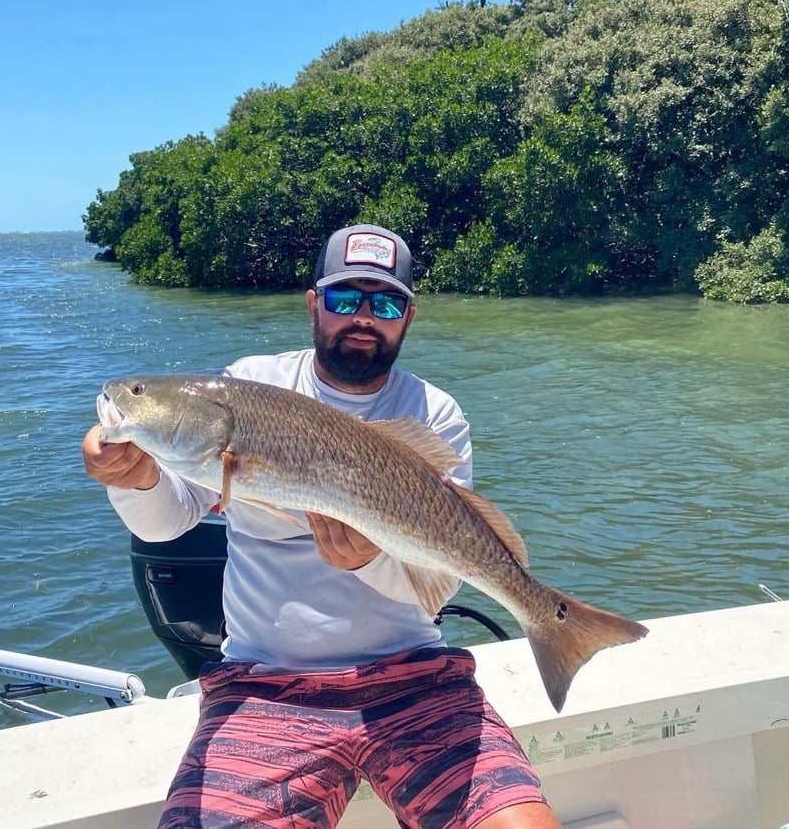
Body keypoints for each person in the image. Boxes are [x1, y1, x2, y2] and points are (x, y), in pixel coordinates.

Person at [82, 224, 562, 829]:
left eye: (384, 303)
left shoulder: (433, 413)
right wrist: (134, 480)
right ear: (313, 303)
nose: (363, 317)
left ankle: (550, 622)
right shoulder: (253, 382)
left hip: (413, 673)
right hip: (265, 684)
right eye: (343, 299)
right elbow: (168, 523)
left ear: (407, 317)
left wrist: (368, 559)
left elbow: (438, 584)